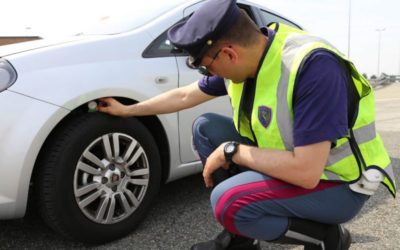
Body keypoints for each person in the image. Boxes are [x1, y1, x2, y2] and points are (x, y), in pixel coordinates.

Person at [98, 0, 397, 249]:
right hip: (298, 166)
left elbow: (306, 172)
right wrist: (128, 110)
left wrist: (233, 151)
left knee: (227, 202)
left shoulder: (313, 69)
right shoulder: (250, 59)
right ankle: (243, 242)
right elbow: (185, 95)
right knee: (206, 128)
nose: (208, 73)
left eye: (206, 65)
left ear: (229, 53)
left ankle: (327, 238)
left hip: (338, 184)